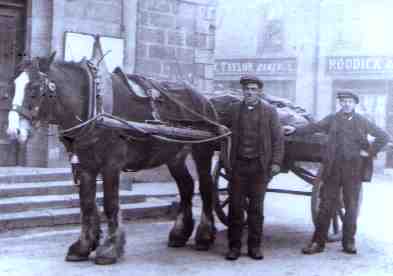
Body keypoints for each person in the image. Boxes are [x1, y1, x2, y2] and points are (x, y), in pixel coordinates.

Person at [283, 90, 390, 255]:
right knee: (326, 206)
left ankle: (349, 243)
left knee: (351, 207)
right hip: (333, 170)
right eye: (343, 101)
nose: (346, 104)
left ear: (355, 104)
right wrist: (294, 130)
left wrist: (369, 152)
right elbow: (314, 127)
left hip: (353, 172)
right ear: (340, 103)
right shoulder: (332, 119)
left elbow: (383, 136)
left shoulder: (362, 121)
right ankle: (318, 243)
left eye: (349, 101)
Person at [225, 75, 284, 261]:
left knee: (256, 210)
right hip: (239, 166)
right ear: (242, 91)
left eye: (253, 89)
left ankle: (255, 247)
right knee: (235, 208)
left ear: (259, 92)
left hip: (260, 167)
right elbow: (224, 135)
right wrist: (228, 164)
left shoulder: (270, 111)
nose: (250, 92)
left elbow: (278, 139)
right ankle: (234, 247)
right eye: (247, 89)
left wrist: (275, 163)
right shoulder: (234, 110)